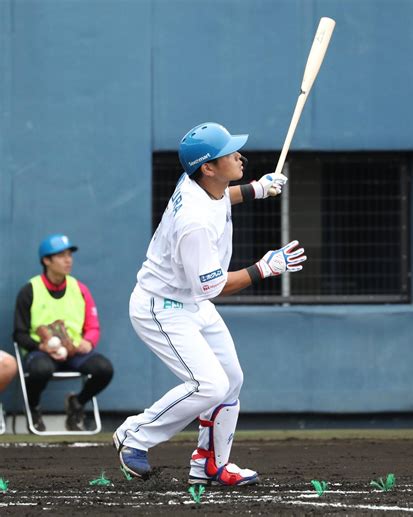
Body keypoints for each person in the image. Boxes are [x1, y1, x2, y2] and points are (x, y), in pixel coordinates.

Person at [113, 122, 306, 486]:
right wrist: (264, 268)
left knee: (231, 379)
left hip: (190, 301)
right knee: (210, 385)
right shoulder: (194, 223)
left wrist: (258, 189)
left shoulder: (202, 185)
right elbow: (215, 287)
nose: (239, 156)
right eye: (229, 153)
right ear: (208, 167)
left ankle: (210, 464)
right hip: (162, 307)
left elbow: (221, 197)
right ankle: (133, 436)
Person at [13, 234, 114, 432]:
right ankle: (33, 407)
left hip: (75, 351)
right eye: (60, 255)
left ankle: (77, 403)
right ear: (46, 261)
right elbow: (19, 334)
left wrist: (88, 342)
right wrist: (40, 346)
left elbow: (93, 326)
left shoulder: (80, 289)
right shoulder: (29, 290)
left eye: (69, 255)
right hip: (42, 352)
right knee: (40, 370)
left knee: (104, 369)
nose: (68, 260)